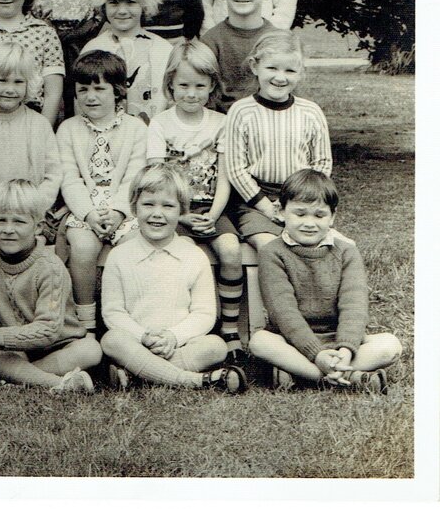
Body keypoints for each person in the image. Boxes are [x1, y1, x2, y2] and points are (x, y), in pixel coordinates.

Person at [250, 170, 402, 392]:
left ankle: (303, 374)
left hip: (338, 340)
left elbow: (354, 307)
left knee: (390, 345)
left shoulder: (347, 252)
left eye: (319, 215)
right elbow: (283, 313)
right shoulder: (271, 253)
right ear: (281, 212)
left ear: (332, 216)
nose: (309, 223)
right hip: (291, 340)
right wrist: (317, 354)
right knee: (260, 342)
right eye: (300, 214)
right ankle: (347, 377)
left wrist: (346, 350)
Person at [100, 164, 246, 393]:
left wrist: (173, 337)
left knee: (216, 346)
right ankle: (196, 381)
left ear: (181, 212)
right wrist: (143, 337)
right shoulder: (119, 256)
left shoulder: (194, 256)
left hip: (179, 345)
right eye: (148, 204)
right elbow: (113, 312)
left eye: (168, 206)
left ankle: (139, 375)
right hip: (137, 342)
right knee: (111, 340)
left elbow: (204, 313)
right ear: (134, 208)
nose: (157, 214)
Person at [147, 40, 243, 357]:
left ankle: (229, 327)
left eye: (200, 86)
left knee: (230, 251)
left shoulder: (220, 122)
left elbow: (226, 176)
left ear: (212, 85)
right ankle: (186, 327)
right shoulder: (161, 124)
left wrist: (214, 215)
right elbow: (157, 180)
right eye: (183, 85)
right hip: (174, 212)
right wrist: (181, 217)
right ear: (170, 85)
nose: (191, 93)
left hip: (211, 207)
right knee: (185, 255)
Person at [0, 180, 101, 393]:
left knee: (91, 350)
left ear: (38, 226)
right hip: (14, 349)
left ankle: (8, 378)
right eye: (0, 221)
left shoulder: (50, 267)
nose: (8, 229)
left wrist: (2, 336)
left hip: (58, 346)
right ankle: (58, 384)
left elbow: (49, 330)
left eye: (19, 222)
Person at [57, 50, 147, 333]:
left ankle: (129, 326)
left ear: (118, 92)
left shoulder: (135, 129)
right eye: (83, 90)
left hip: (125, 207)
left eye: (99, 89)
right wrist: (89, 213)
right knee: (82, 249)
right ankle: (86, 326)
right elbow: (69, 178)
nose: (91, 97)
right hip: (85, 208)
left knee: (134, 247)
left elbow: (135, 175)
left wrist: (120, 211)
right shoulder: (68, 129)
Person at [222, 30, 332, 254]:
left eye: (290, 70)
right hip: (254, 201)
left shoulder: (310, 112)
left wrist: (301, 203)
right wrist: (267, 207)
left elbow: (322, 163)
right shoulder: (241, 111)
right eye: (272, 68)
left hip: (303, 200)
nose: (280, 77)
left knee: (313, 248)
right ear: (255, 66)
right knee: (270, 247)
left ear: (300, 73)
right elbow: (235, 169)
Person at [0, 42, 62, 255]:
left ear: (28, 85)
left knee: (39, 247)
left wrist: (34, 208)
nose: (9, 89)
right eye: (2, 80)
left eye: (18, 82)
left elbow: (53, 174)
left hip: (33, 213)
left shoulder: (39, 124)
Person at [80, 0, 173, 122]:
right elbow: (82, 105)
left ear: (143, 4)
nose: (122, 11)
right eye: (114, 3)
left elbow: (172, 102)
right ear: (104, 4)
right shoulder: (93, 49)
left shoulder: (163, 50)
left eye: (130, 2)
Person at [201, 0, 278, 113]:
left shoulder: (277, 40)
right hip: (222, 124)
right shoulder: (210, 42)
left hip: (269, 120)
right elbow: (204, 95)